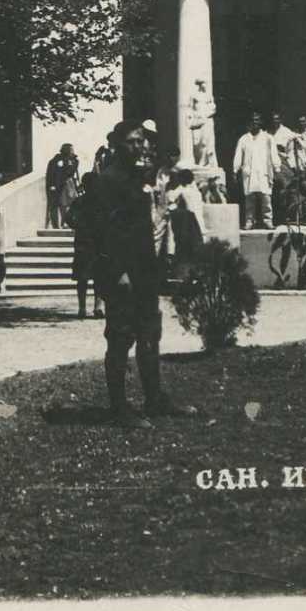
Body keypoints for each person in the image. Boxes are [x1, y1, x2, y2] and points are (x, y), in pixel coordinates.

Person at [72, 120, 189, 424]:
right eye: (131, 142)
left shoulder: (138, 179)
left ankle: (154, 399)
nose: (138, 147)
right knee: (120, 339)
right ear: (116, 144)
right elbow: (103, 233)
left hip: (144, 271)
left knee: (150, 335)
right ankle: (119, 408)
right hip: (121, 275)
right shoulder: (107, 181)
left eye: (141, 141)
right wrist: (117, 273)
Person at [232, 113, 282, 229]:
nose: (255, 122)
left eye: (257, 120)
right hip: (249, 172)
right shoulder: (244, 139)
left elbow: (274, 154)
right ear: (249, 123)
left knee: (266, 198)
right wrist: (235, 170)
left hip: (264, 172)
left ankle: (268, 221)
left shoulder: (268, 138)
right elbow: (238, 155)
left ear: (260, 122)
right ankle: (249, 221)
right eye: (252, 120)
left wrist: (277, 168)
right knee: (249, 199)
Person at [68, 173, 104, 320]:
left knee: (85, 278)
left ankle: (84, 308)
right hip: (94, 243)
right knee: (97, 277)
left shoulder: (80, 202)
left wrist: (78, 226)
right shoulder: (99, 202)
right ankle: (96, 307)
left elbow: (69, 219)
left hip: (87, 243)